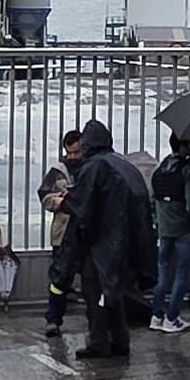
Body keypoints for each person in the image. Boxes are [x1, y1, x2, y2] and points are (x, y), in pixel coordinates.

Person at [65, 120, 149, 359]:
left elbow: (83, 206)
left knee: (95, 294)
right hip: (122, 244)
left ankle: (99, 341)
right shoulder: (123, 165)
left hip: (101, 245)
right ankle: (121, 340)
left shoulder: (94, 167)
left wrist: (66, 202)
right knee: (114, 293)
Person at [149, 137, 190, 334]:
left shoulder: (161, 168)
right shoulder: (189, 172)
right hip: (183, 229)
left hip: (164, 229)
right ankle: (172, 318)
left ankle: (157, 315)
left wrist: (157, 220)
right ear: (182, 146)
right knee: (181, 273)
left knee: (162, 271)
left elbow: (152, 197)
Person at [37, 131, 82, 342]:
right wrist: (60, 201)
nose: (73, 156)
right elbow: (44, 196)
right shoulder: (57, 171)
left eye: (77, 151)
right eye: (69, 152)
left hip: (84, 231)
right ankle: (53, 319)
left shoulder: (90, 167)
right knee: (59, 279)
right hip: (63, 232)